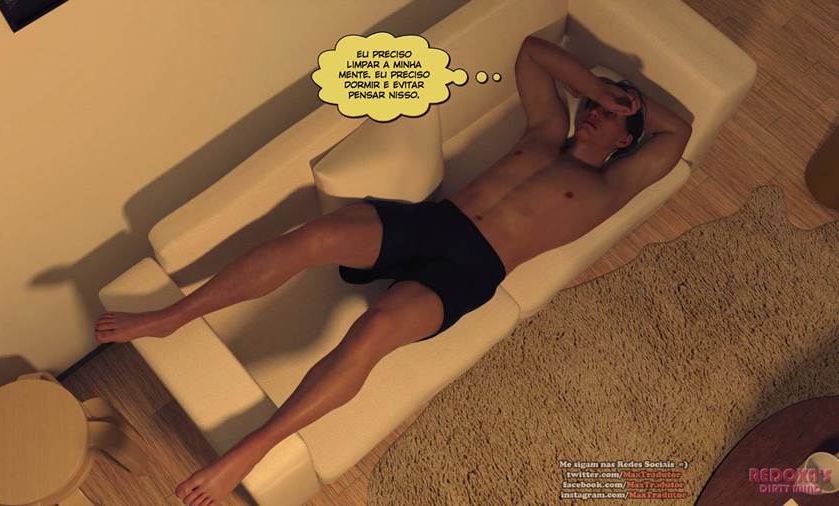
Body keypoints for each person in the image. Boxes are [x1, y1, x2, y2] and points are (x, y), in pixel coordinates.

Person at [94, 34, 692, 505]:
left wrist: (633, 103)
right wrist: (598, 86)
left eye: (615, 113)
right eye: (596, 102)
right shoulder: (545, 129)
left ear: (626, 141)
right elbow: (532, 52)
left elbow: (678, 130)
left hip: (475, 268)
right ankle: (172, 316)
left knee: (376, 329)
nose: (598, 110)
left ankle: (252, 449)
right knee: (317, 235)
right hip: (437, 222)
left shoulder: (612, 185)